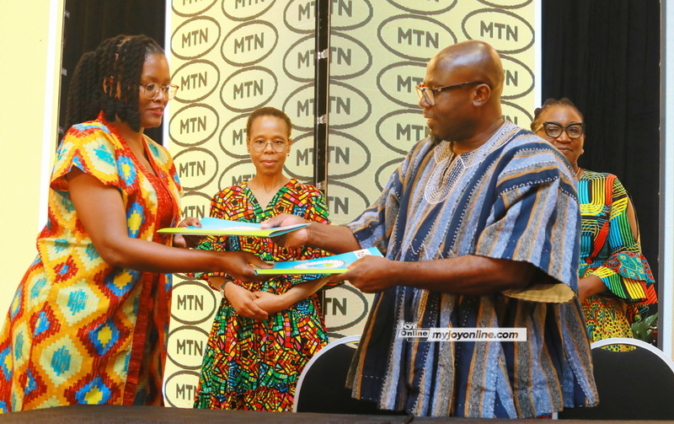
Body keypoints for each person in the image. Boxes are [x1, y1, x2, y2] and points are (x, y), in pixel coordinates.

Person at [263, 40, 598, 418]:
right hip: (417, 371)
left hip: (495, 375)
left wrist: (395, 273)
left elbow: (510, 268)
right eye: (423, 89)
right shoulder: (423, 154)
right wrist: (308, 231)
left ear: (480, 93)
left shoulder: (534, 163)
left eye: (435, 91)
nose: (424, 102)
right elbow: (372, 232)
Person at [0, 35, 267, 412]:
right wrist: (219, 261)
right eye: (149, 86)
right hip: (74, 324)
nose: (162, 97)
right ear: (113, 85)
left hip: (137, 325)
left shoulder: (159, 156)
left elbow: (145, 233)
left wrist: (182, 238)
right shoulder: (89, 142)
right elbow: (114, 246)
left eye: (166, 87)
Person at [192, 107, 333, 412]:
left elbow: (325, 268)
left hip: (294, 325)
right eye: (260, 141)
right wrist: (230, 289)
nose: (269, 149)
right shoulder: (226, 200)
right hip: (237, 323)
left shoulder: (309, 198)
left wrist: (281, 301)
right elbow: (209, 262)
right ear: (248, 144)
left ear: (289, 144)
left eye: (278, 141)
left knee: (296, 412)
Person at [531, 98, 657, 349]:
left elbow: (629, 257)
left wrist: (581, 288)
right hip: (530, 315)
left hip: (599, 319)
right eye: (552, 129)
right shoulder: (512, 189)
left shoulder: (606, 186)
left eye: (573, 130)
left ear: (583, 141)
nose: (563, 137)